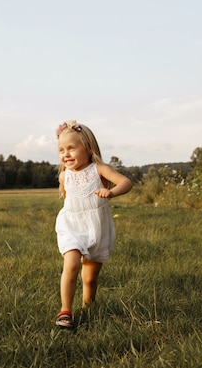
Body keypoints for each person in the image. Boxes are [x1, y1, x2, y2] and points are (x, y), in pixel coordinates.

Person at [54, 120, 133, 329]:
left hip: (96, 227)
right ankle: (65, 311)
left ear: (88, 148)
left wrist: (111, 192)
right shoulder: (64, 175)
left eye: (71, 148)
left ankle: (89, 309)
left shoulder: (100, 169)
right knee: (70, 263)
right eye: (62, 150)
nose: (66, 154)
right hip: (71, 224)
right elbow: (67, 196)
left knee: (89, 279)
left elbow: (126, 182)